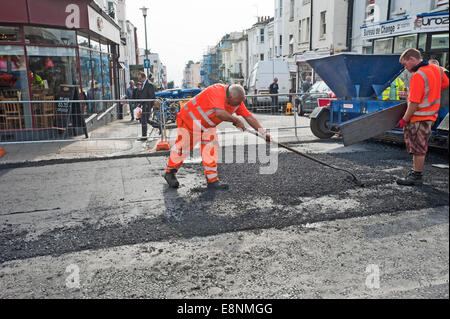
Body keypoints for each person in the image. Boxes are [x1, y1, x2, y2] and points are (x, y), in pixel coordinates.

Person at [164, 84, 271, 190]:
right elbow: (220, 113)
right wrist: (236, 120)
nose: (238, 105)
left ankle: (212, 181)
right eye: (236, 102)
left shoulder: (237, 102)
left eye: (240, 102)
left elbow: (249, 117)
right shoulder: (216, 91)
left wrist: (263, 133)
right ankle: (170, 172)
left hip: (207, 125)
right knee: (183, 148)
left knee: (211, 149)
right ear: (229, 97)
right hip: (190, 120)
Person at [396, 48, 449, 186]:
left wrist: (404, 119)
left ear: (412, 59)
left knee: (418, 148)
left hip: (419, 117)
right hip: (430, 115)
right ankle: (415, 173)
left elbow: (413, 104)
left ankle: (416, 176)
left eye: (405, 64)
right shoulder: (437, 69)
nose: (405, 68)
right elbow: (446, 84)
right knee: (419, 147)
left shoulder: (418, 76)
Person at [137, 72, 155, 140]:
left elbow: (151, 96)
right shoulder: (143, 84)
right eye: (139, 79)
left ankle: (144, 137)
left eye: (140, 79)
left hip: (147, 105)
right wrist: (140, 103)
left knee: (144, 120)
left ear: (144, 77)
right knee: (144, 120)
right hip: (143, 105)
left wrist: (148, 105)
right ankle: (158, 126)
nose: (140, 80)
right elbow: (143, 94)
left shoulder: (149, 84)